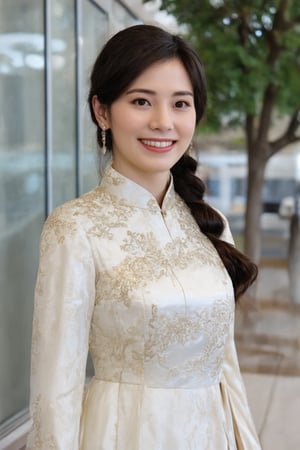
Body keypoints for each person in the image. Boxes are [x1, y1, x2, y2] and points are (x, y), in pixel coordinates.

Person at [26, 24, 261, 450]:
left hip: (213, 434)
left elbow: (226, 365)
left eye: (181, 103)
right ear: (102, 111)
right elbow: (55, 389)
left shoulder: (211, 224)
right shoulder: (75, 227)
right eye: (141, 101)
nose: (163, 122)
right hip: (124, 435)